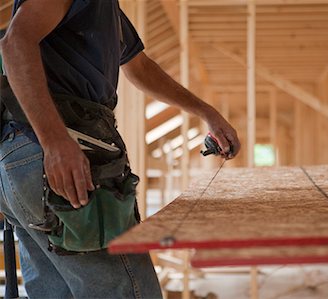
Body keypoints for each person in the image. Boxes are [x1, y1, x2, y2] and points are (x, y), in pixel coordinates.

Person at [0, 0, 241, 298]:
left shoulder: (105, 8)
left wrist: (207, 113)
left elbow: (138, 67)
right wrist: (55, 141)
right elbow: (15, 42)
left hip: (24, 158)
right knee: (128, 291)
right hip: (59, 149)